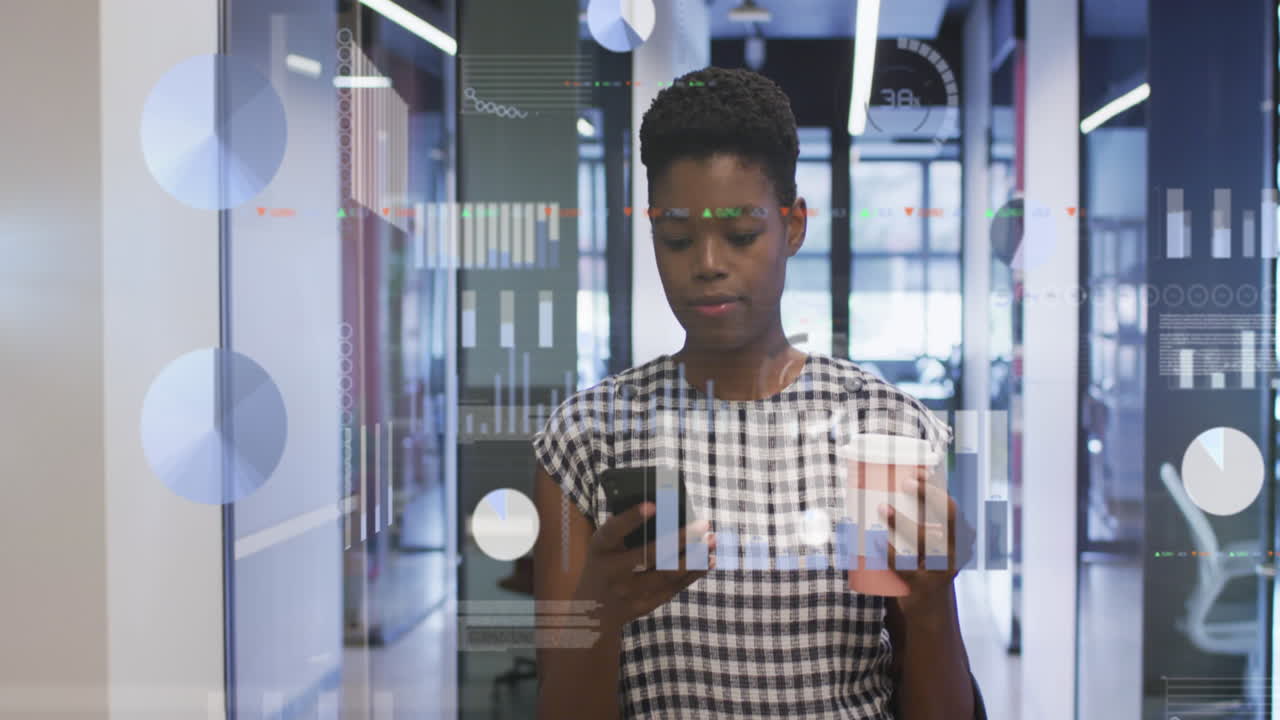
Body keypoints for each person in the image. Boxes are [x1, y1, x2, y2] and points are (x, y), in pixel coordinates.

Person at [532, 66, 984, 719]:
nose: (708, 263)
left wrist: (935, 605)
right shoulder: (588, 437)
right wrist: (598, 610)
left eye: (741, 235)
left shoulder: (880, 425)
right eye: (677, 238)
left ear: (793, 226)